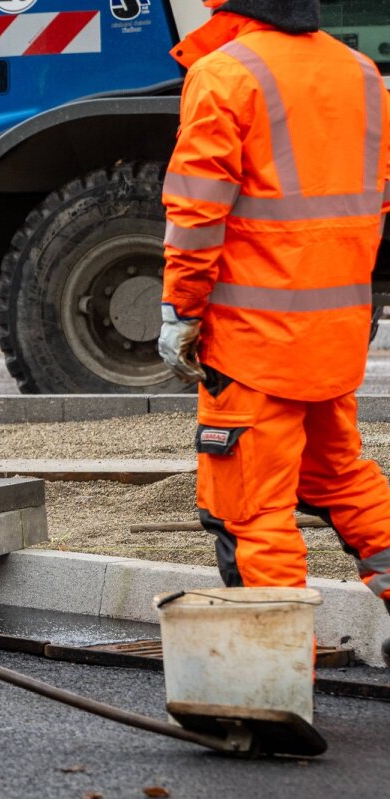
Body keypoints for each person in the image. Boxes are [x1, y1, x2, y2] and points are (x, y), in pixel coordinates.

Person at [158, 0, 390, 663]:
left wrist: (180, 308)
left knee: (253, 509)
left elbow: (198, 209)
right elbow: (374, 196)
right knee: (342, 477)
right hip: (334, 329)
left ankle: (278, 670)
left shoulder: (226, 74)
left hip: (250, 339)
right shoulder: (361, 74)